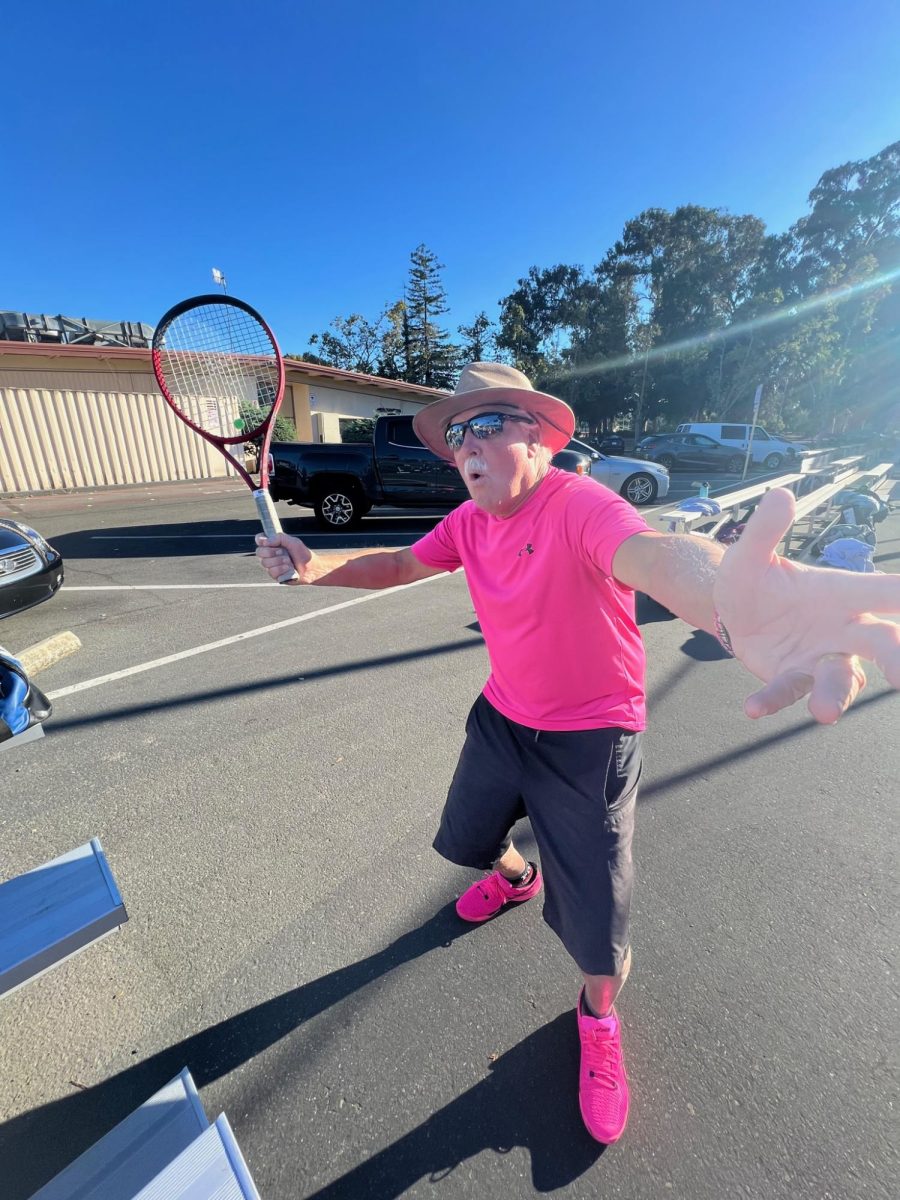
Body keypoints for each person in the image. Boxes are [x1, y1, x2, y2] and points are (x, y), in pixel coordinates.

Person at [256, 362, 900, 1145]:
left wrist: (728, 600)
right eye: (455, 433)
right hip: (504, 716)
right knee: (467, 840)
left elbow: (659, 556)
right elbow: (396, 565)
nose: (467, 443)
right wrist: (314, 564)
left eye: (487, 423)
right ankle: (518, 881)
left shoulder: (579, 504)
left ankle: (598, 1019)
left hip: (593, 735)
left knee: (598, 927)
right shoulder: (467, 524)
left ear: (538, 433)